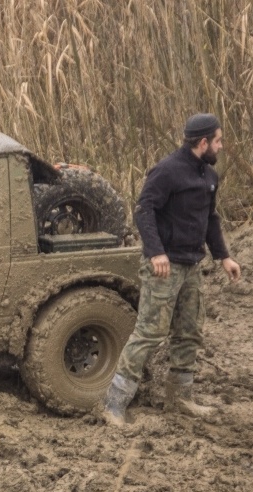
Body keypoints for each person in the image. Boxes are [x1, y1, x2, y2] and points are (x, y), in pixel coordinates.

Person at [103, 113, 242, 427]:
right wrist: (156, 253)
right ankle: (114, 404)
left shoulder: (209, 176)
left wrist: (224, 257)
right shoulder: (167, 171)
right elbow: (144, 210)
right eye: (218, 141)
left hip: (192, 266)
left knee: (189, 332)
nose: (221, 146)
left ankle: (179, 399)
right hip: (163, 268)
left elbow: (211, 219)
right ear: (202, 142)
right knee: (150, 333)